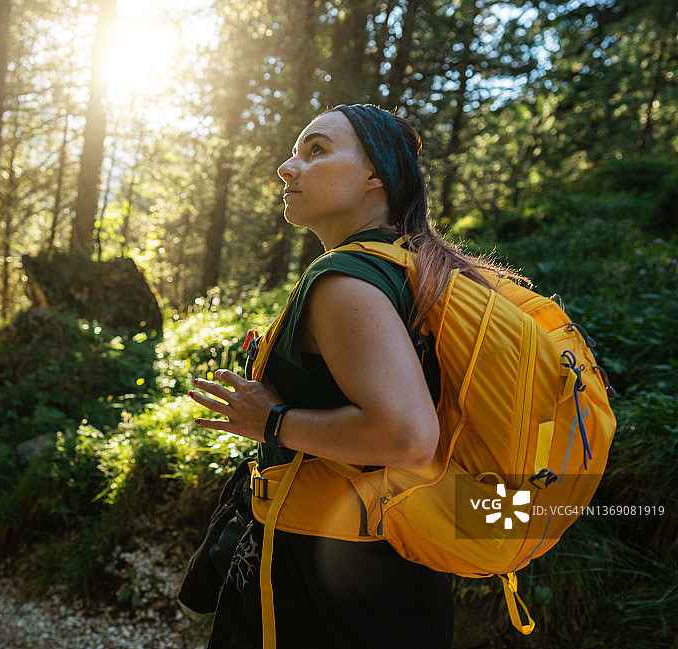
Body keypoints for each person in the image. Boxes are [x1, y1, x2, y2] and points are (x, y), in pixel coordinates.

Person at [179, 104, 512, 648]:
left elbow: (408, 437)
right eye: (295, 153)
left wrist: (271, 421)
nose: (287, 168)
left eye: (316, 151)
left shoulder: (345, 280)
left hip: (325, 579)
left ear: (374, 173)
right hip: (393, 565)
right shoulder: (413, 266)